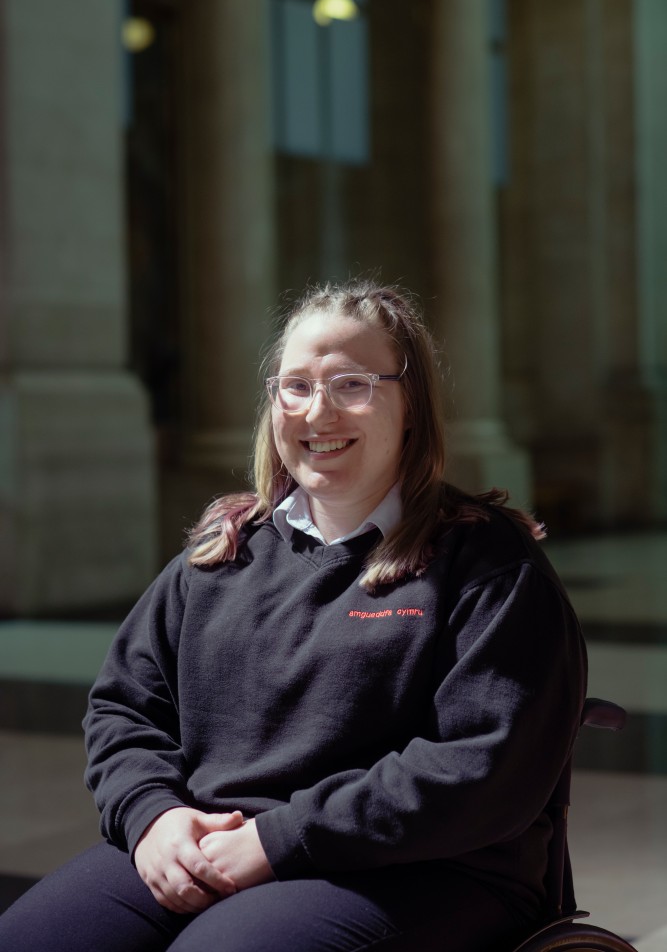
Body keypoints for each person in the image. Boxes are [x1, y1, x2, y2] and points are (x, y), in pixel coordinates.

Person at [0, 279, 587, 952]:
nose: (317, 413)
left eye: (352, 385)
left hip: (426, 869)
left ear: (411, 408)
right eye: (296, 386)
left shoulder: (485, 563)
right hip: (211, 843)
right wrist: (153, 816)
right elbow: (125, 708)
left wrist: (277, 840)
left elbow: (480, 766)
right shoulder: (224, 553)